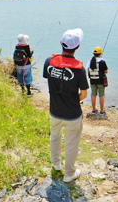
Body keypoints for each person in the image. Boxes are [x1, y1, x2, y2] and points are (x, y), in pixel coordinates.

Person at [43, 28, 89, 183]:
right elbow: (83, 94)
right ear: (77, 47)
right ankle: (69, 173)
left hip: (54, 111)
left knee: (54, 137)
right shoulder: (80, 69)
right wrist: (74, 99)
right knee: (71, 143)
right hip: (72, 114)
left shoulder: (49, 62)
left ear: (61, 44)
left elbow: (48, 78)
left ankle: (56, 163)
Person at [86, 46, 108, 115]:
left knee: (93, 95)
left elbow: (87, 69)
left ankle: (93, 110)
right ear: (100, 54)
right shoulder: (102, 61)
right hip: (100, 81)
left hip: (92, 80)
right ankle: (102, 111)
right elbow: (106, 71)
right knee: (101, 95)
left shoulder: (90, 61)